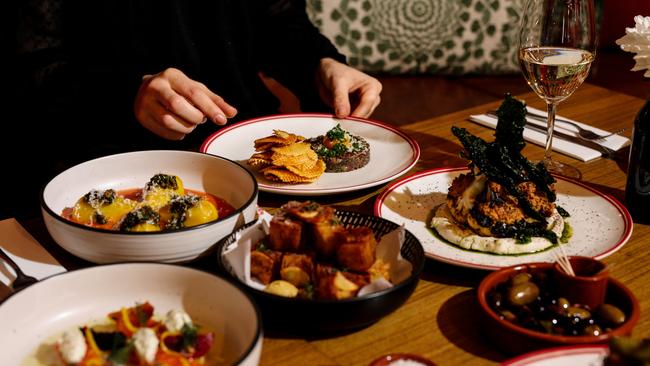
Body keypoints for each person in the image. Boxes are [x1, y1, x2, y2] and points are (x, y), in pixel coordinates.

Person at [10, 0, 381, 219]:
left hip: (253, 163)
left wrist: (319, 64)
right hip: (112, 178)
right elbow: (34, 69)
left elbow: (279, 20)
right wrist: (128, 93)